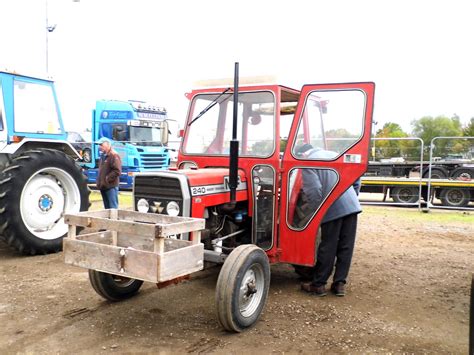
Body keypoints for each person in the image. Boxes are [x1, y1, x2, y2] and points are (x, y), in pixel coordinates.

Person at [295, 143, 362, 297]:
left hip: (331, 207)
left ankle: (318, 285)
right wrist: (352, 195)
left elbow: (315, 191)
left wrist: (316, 212)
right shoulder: (333, 154)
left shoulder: (308, 162)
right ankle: (339, 285)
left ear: (302, 155)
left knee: (328, 246)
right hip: (352, 205)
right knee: (346, 246)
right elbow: (355, 176)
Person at [96, 137, 122, 209]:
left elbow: (117, 171)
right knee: (106, 209)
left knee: (113, 208)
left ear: (107, 144)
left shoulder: (114, 155)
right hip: (104, 186)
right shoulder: (103, 156)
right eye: (99, 145)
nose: (99, 147)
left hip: (111, 187)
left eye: (101, 145)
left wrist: (107, 179)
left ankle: (114, 220)